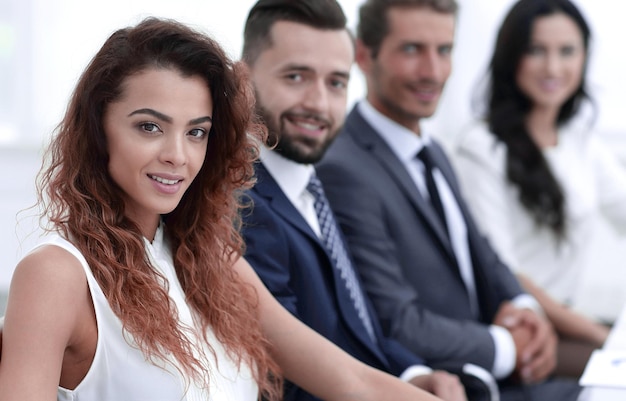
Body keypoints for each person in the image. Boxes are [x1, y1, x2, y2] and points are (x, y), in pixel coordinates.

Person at [0, 17, 446, 401]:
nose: (178, 155)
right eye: (150, 126)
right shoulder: (56, 275)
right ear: (99, 129)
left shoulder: (213, 264)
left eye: (197, 132)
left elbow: (353, 382)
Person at [316, 0, 582, 399]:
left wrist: (526, 309)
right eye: (412, 50)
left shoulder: (434, 151)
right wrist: (510, 345)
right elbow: (394, 322)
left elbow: (483, 255)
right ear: (364, 55)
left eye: (444, 50)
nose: (433, 71)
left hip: (505, 372)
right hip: (454, 386)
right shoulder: (343, 168)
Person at [239, 1, 472, 400]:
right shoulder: (243, 207)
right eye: (296, 76)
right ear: (242, 78)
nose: (319, 103)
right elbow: (288, 379)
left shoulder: (312, 181)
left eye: (336, 83)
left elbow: (355, 328)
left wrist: (413, 373)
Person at [451, 0, 620, 376]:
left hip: (571, 325)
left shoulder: (581, 141)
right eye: (536, 51)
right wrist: (598, 333)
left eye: (567, 51)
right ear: (511, 56)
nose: (553, 67)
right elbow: (506, 273)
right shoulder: (482, 147)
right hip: (523, 332)